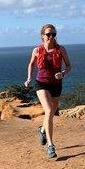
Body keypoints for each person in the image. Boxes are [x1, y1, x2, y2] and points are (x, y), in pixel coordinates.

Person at [25, 24, 71, 159]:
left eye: (53, 34)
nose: (51, 37)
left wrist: (63, 73)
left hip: (57, 84)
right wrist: (29, 78)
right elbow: (31, 64)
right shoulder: (37, 50)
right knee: (49, 111)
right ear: (42, 36)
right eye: (48, 34)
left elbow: (69, 66)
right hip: (41, 83)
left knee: (51, 114)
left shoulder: (61, 49)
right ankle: (51, 146)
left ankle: (42, 130)